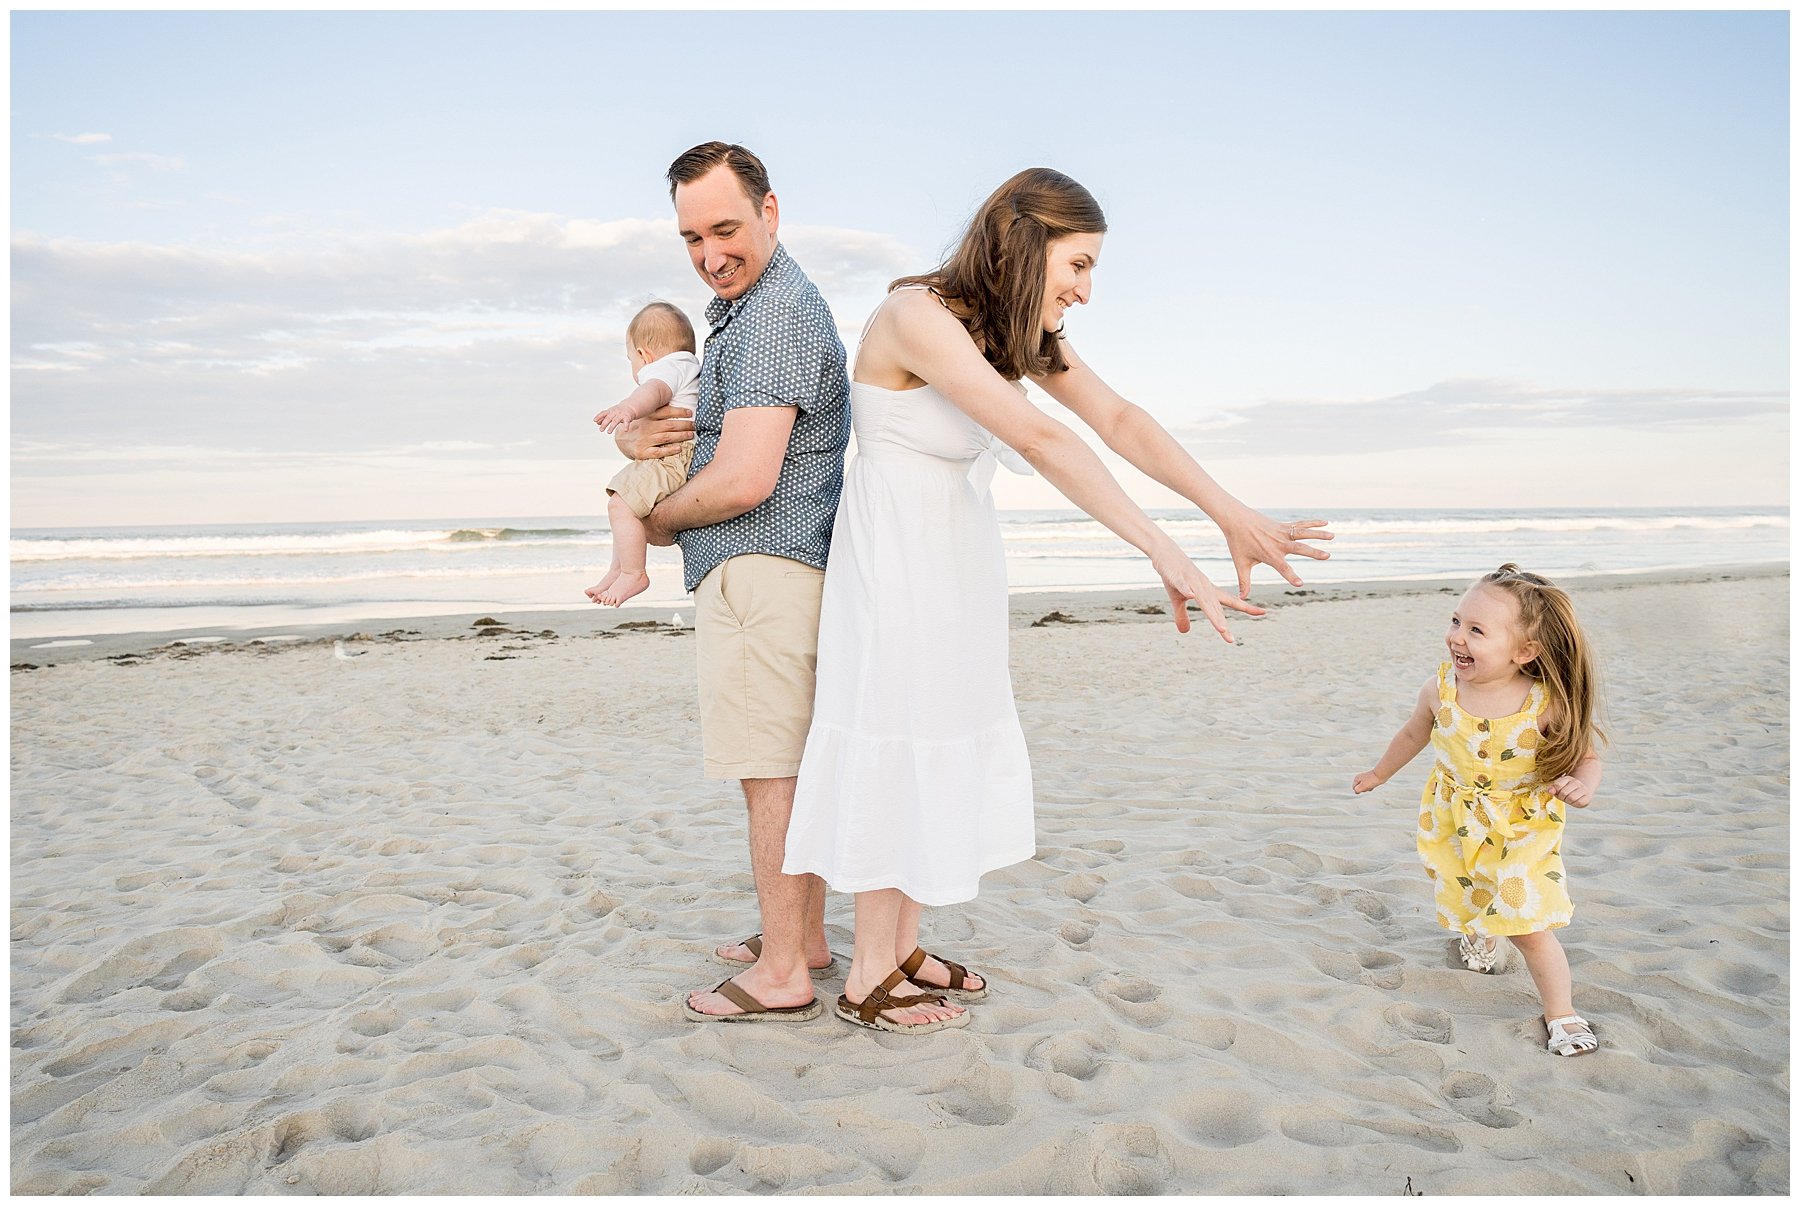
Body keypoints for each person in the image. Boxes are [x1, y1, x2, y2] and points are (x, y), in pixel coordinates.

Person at [779, 168, 1334, 1034]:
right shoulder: (914, 316)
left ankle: (902, 947)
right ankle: (867, 976)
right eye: (1078, 264)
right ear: (1022, 241)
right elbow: (1039, 435)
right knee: (901, 732)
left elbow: (1119, 419)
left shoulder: (1011, 331)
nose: (1084, 288)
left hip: (955, 556)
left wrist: (1228, 511)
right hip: (896, 562)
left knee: (945, 733)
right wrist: (1162, 551)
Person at [612, 142, 850, 1024]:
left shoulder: (779, 313)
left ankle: (784, 972)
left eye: (726, 228)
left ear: (771, 212)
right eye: (691, 238)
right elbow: (704, 442)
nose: (710, 254)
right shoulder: (741, 316)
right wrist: (641, 447)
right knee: (787, 764)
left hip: (763, 570)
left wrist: (650, 521)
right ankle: (805, 941)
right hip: (771, 570)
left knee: (769, 775)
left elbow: (747, 478)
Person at [1354, 563, 1606, 1057]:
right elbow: (1413, 734)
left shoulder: (1544, 704)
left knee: (1529, 926)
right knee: (1469, 893)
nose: (1457, 638)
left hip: (1521, 828)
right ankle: (1483, 937)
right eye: (1455, 621)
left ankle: (1562, 1013)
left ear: (1525, 651)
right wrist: (1380, 773)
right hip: (1454, 819)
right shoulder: (1441, 688)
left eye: (1476, 630)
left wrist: (1584, 785)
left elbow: (1587, 756)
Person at [586, 301, 701, 607]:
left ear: (643, 355)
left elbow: (654, 391)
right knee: (622, 506)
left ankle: (634, 573)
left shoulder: (666, 368)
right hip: (674, 454)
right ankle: (619, 569)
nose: (634, 370)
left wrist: (628, 408)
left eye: (631, 360)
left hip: (673, 456)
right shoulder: (690, 366)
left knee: (620, 506)